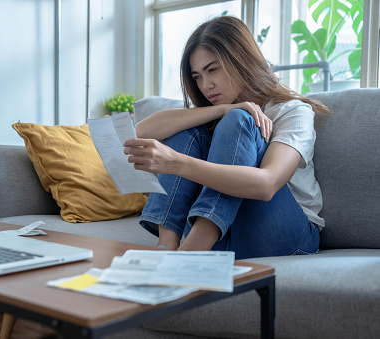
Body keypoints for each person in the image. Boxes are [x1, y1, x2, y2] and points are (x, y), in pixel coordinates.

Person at [123, 16, 331, 259]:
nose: (206, 85)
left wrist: (176, 163)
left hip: (283, 233)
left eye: (212, 70)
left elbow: (267, 184)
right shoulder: (219, 110)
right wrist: (222, 109)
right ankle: (166, 247)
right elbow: (140, 131)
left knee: (240, 120)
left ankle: (189, 253)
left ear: (240, 60)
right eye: (198, 76)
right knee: (186, 128)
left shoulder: (291, 111)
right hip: (226, 232)